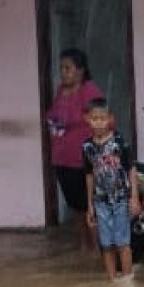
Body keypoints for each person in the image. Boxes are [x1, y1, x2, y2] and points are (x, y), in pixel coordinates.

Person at [45, 48, 104, 249]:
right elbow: (54, 115)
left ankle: (97, 249)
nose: (63, 73)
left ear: (80, 70)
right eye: (62, 68)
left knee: (90, 207)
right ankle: (84, 249)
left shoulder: (89, 90)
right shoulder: (61, 92)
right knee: (77, 209)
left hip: (85, 159)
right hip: (62, 159)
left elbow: (99, 120)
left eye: (68, 68)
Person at [82, 98, 140, 282]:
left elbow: (131, 169)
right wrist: (90, 205)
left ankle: (128, 280)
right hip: (100, 202)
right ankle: (113, 281)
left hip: (121, 199)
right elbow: (89, 175)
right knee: (106, 245)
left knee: (123, 243)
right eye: (94, 118)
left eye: (102, 118)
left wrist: (134, 198)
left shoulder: (119, 142)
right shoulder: (87, 147)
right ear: (88, 120)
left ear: (110, 119)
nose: (98, 122)